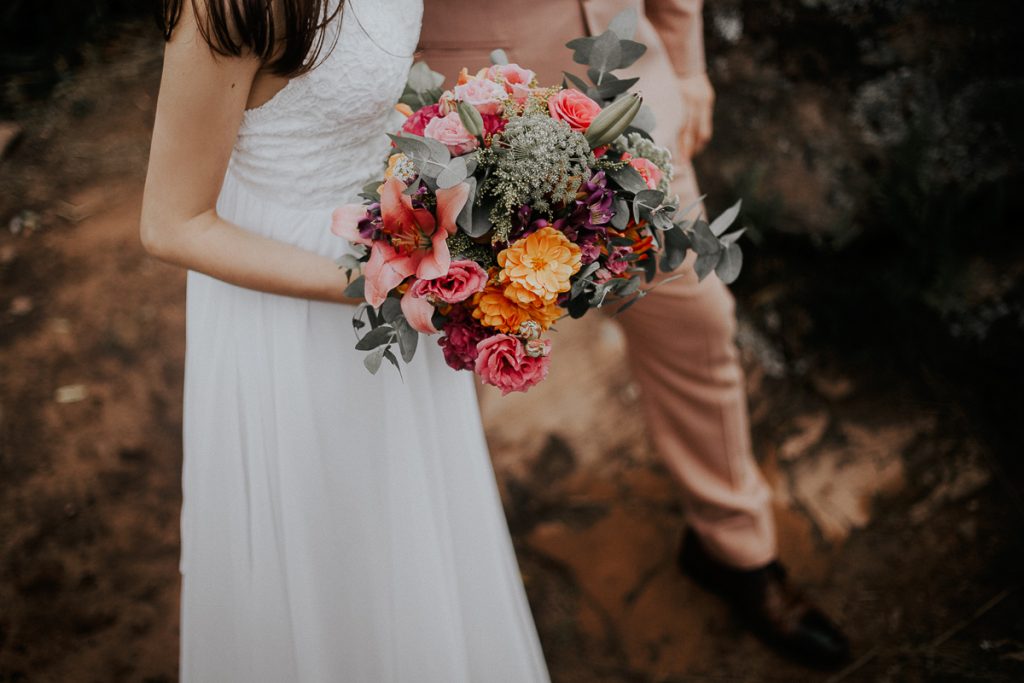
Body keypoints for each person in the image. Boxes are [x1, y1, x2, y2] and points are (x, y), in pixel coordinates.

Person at [418, 0, 851, 669]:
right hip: (477, 147)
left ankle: (736, 550)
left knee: (700, 324)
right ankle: (454, 581)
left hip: (639, 109)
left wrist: (687, 65)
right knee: (447, 375)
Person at [141, 1, 550, 680]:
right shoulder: (229, 9)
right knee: (327, 538)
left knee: (406, 527)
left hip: (393, 243)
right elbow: (170, 222)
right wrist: (379, 280)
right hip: (294, 294)